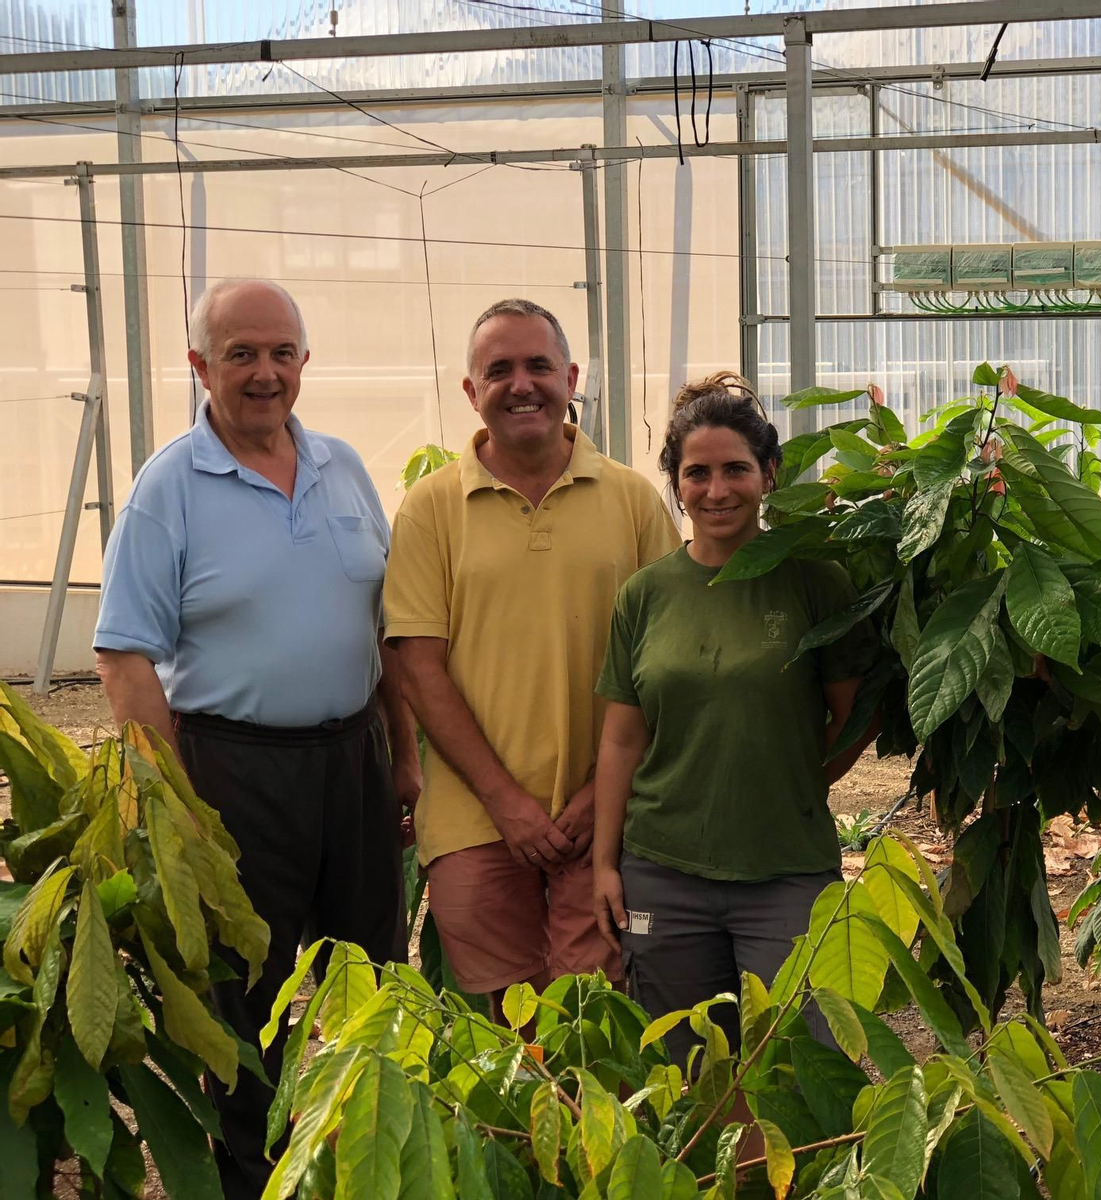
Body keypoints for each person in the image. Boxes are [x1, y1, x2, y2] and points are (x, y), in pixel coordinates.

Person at [92, 279, 416, 1200]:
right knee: (249, 1005)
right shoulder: (170, 487)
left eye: (282, 353)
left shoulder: (344, 467)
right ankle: (255, 1180)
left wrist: (404, 756)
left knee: (372, 979)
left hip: (353, 760)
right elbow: (123, 655)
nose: (265, 373)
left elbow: (383, 627)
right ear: (200, 365)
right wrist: (176, 802)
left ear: (305, 362)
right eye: (241, 354)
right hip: (233, 770)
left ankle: (368, 1167)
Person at [384, 299, 680, 1014]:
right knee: (503, 1030)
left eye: (539, 366)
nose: (522, 384)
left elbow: (665, 662)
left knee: (599, 1021)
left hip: (609, 819)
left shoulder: (635, 502)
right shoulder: (430, 509)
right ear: (470, 391)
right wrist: (506, 803)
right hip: (474, 821)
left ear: (571, 376)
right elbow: (418, 667)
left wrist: (595, 799)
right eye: (499, 369)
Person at [591, 372, 878, 1063]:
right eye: (697, 473)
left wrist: (802, 777)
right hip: (664, 867)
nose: (716, 490)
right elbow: (622, 738)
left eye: (735, 470)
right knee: (688, 1069)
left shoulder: (814, 580)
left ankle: (787, 1178)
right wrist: (605, 865)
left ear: (770, 474)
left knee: (798, 1065)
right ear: (676, 481)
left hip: (784, 871)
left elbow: (857, 712)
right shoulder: (646, 595)